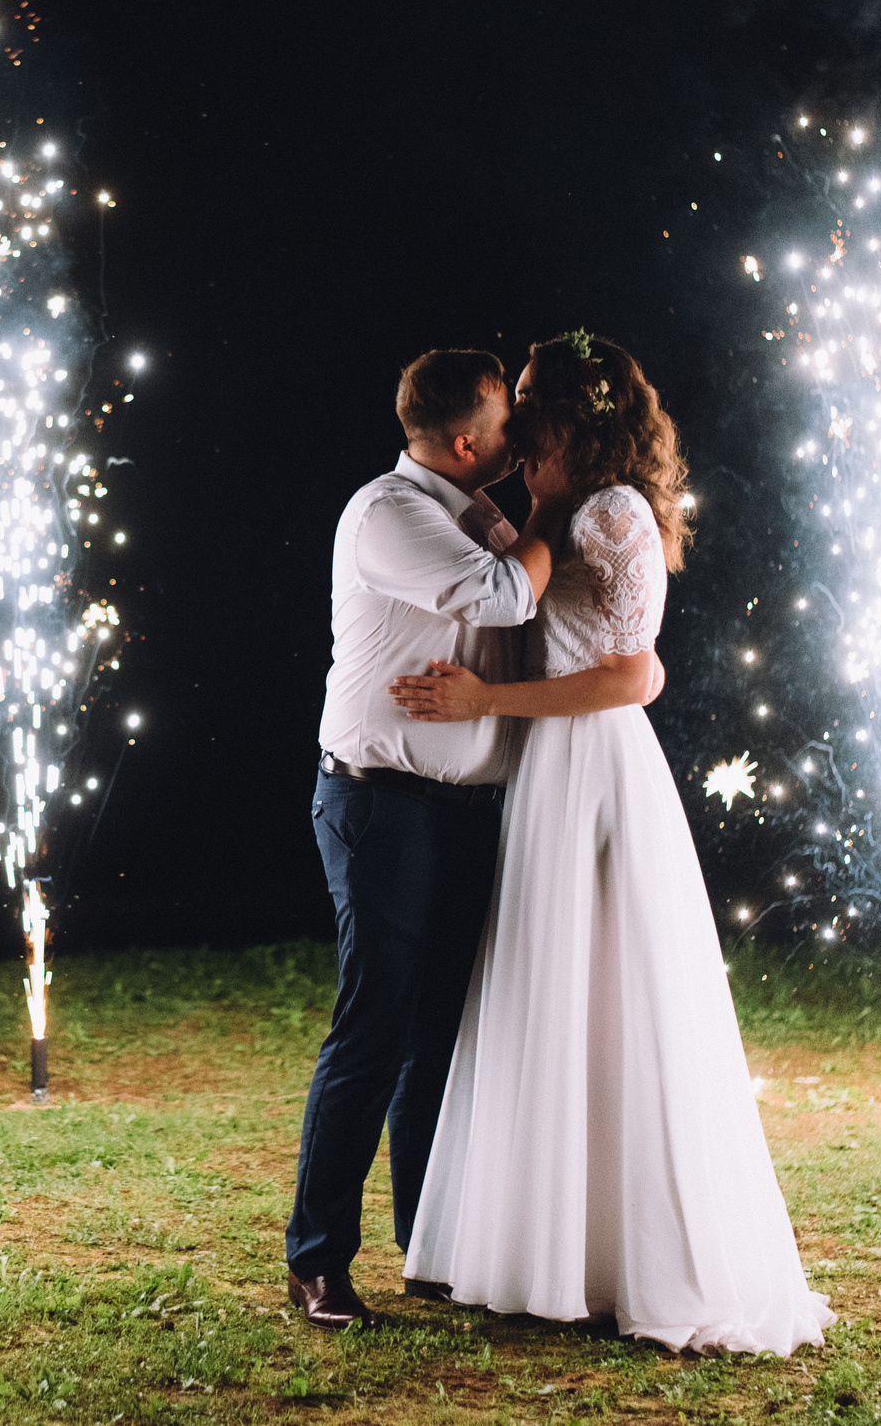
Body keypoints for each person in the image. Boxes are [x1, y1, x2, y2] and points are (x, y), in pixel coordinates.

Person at [390, 331, 834, 1356]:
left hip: (595, 767)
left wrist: (485, 698)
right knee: (553, 990)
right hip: (555, 767)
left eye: (535, 393)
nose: (520, 410)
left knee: (611, 993)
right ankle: (551, 1246)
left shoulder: (614, 511)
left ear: (579, 410)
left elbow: (633, 674)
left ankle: (626, 1253)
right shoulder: (560, 509)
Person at [287, 349, 662, 1332]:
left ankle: (433, 1242)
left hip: (472, 809)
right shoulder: (392, 514)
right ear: (464, 441)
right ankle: (316, 1259)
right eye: (508, 420)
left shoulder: (486, 510)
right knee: (374, 1027)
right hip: (383, 803)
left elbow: (598, 642)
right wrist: (547, 511)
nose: (521, 437)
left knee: (442, 1037)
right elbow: (504, 596)